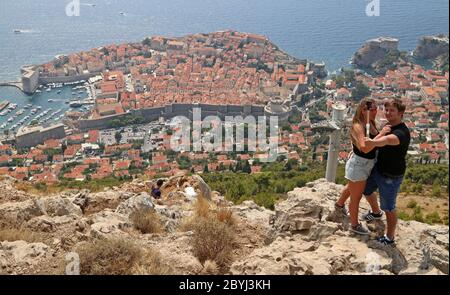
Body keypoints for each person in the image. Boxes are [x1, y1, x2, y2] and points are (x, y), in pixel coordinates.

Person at [334, 99, 390, 235]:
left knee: (352, 187)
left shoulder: (369, 122)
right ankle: (354, 225)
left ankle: (339, 205)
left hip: (365, 164)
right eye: (372, 109)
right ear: (363, 110)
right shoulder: (358, 126)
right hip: (359, 165)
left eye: (376, 109)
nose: (375, 111)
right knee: (356, 197)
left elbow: (362, 145)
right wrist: (382, 134)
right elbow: (365, 148)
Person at [362, 98, 410, 245]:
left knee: (389, 207)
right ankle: (376, 213)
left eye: (392, 110)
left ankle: (389, 237)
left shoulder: (401, 132)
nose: (388, 113)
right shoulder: (389, 125)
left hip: (391, 176)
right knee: (366, 190)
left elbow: (390, 140)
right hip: (379, 169)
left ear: (401, 113)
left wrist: (373, 142)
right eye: (387, 109)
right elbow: (382, 135)